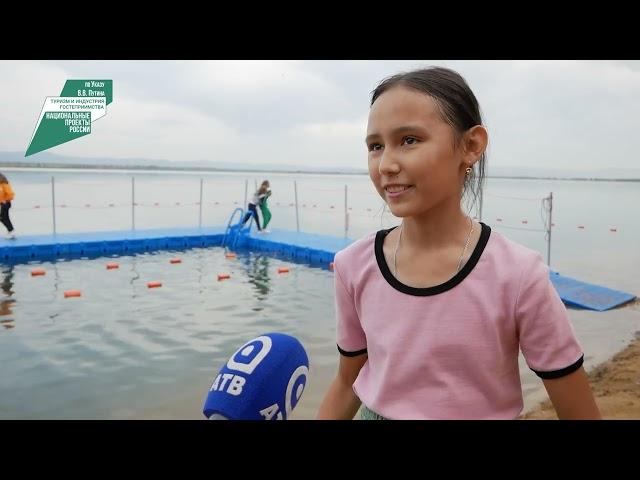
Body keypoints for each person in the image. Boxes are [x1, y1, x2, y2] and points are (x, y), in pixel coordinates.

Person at [316, 67, 600, 420]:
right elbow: (348, 381)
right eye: (376, 146)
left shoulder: (518, 276)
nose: (386, 164)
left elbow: (577, 408)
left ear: (470, 146)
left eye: (409, 140)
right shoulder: (354, 266)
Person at [0, 173, 16, 239]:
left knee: (4, 218)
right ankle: (11, 231)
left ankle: (11, 231)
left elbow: (11, 194)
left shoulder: (5, 184)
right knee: (3, 218)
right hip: (2, 204)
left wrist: (5, 200)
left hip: (6, 204)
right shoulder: (0, 185)